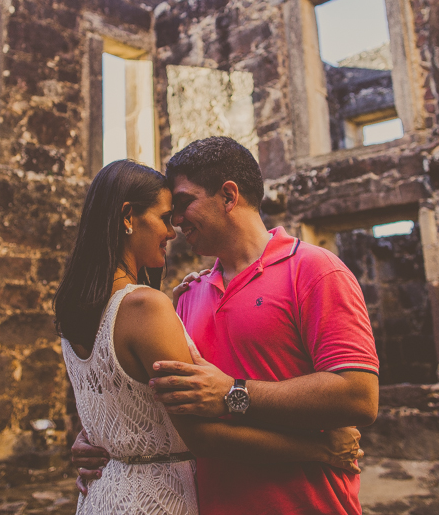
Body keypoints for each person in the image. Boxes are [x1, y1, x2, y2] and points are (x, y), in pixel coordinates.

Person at [72, 138, 380, 515]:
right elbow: (163, 405)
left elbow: (359, 397)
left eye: (183, 203)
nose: (176, 222)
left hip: (306, 504)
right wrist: (103, 440)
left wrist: (234, 392)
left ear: (229, 196)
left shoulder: (315, 271)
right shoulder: (187, 296)